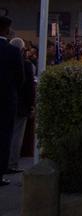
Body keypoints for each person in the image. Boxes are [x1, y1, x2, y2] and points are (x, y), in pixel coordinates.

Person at [0, 16, 24, 187]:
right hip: (5, 100)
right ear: (6, 30)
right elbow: (20, 78)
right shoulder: (13, 51)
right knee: (3, 137)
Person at [7, 38, 34, 174]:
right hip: (20, 104)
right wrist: (31, 105)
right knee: (16, 135)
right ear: (23, 50)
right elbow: (28, 87)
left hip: (6, 102)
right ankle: (11, 164)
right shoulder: (26, 65)